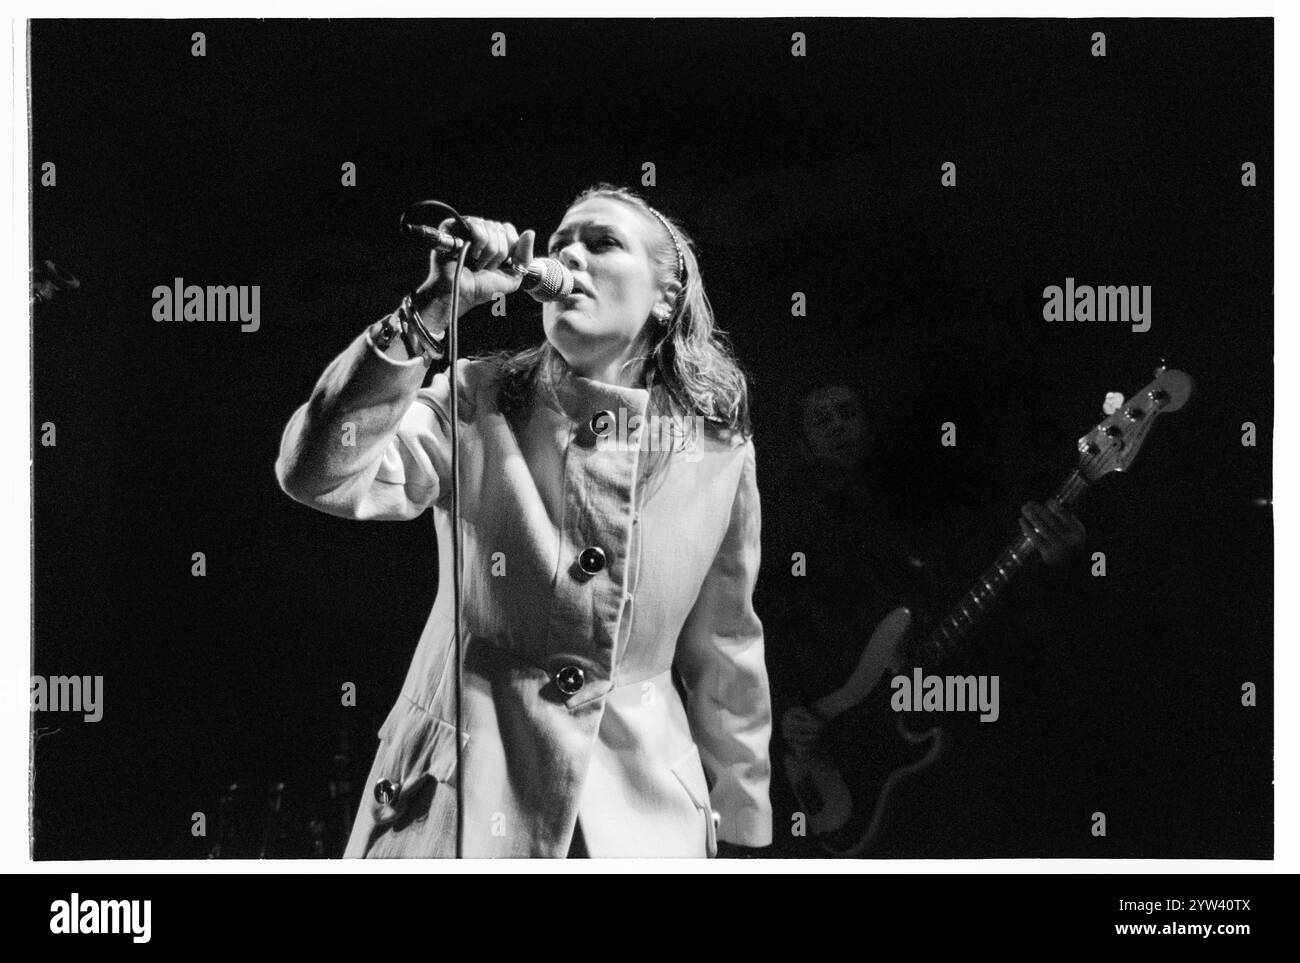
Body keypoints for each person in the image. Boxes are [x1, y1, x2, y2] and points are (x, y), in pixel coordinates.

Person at [275, 184, 772, 858]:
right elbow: (317, 473)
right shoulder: (478, 401)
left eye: (602, 243)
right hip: (462, 801)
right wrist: (425, 315)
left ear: (666, 295)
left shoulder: (716, 448)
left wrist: (742, 821)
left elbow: (727, 648)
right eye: (563, 240)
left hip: (642, 823)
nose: (570, 254)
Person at [761, 379, 1086, 856]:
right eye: (821, 419)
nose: (837, 426)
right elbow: (766, 629)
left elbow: (997, 599)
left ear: (869, 424)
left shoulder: (924, 492)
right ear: (803, 441)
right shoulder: (786, 523)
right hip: (837, 736)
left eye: (847, 412)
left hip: (955, 728)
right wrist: (788, 710)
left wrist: (1057, 563)